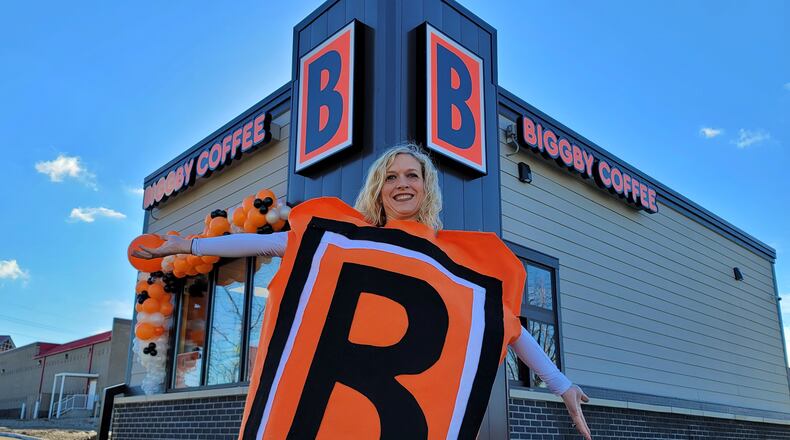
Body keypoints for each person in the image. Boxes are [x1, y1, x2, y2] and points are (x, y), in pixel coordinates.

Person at [133, 144, 592, 440]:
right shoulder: (345, 238)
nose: (402, 184)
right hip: (332, 408)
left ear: (426, 187)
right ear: (378, 187)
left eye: (411, 175)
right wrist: (188, 246)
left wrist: (562, 385)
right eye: (391, 177)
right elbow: (270, 243)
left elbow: (509, 327)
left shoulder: (453, 263)